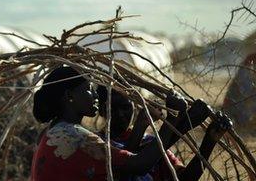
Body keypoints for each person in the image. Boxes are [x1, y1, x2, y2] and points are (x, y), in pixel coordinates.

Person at [30, 66, 211, 181]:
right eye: (88, 90)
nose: (94, 96)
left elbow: (124, 169)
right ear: (69, 96)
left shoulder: (55, 131)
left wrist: (184, 124)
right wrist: (174, 118)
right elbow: (139, 165)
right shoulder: (73, 136)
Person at [97, 85, 233, 181]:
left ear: (135, 106)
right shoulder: (96, 144)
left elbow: (184, 177)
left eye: (125, 107)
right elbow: (127, 169)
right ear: (101, 110)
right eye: (113, 108)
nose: (120, 114)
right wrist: (179, 121)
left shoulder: (150, 141)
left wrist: (209, 141)